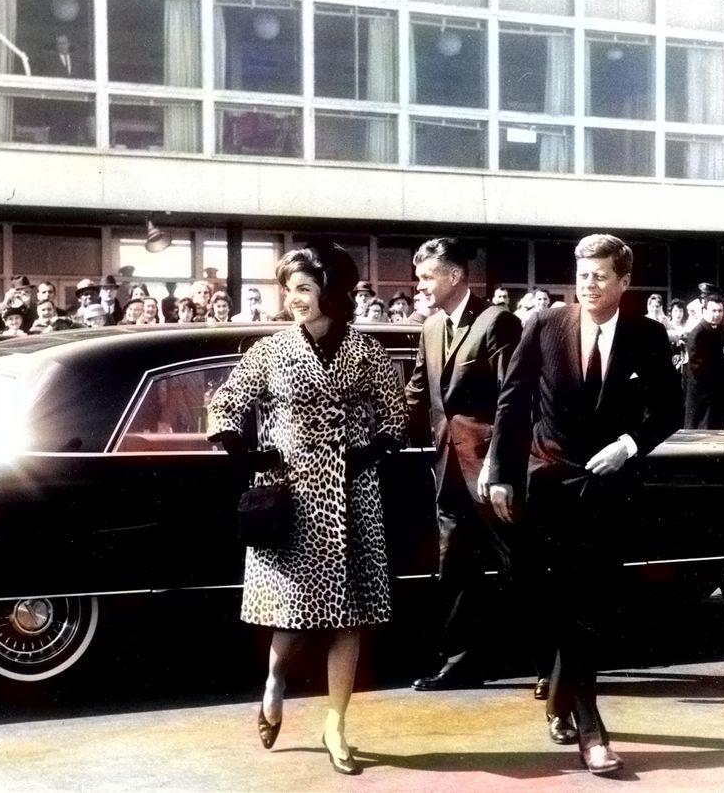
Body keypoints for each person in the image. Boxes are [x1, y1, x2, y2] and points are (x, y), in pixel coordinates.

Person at [206, 242, 407, 776]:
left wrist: (370, 452)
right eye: (287, 290)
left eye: (303, 288)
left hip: (352, 493)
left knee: (350, 616)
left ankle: (336, 723)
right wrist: (248, 451)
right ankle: (274, 683)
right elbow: (226, 403)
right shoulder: (270, 351)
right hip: (290, 493)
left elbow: (395, 413)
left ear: (329, 291)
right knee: (292, 614)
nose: (294, 299)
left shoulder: (366, 352)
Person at [487, 233, 682, 776]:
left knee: (587, 605)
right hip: (546, 485)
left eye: (600, 275)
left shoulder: (648, 335)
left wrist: (628, 446)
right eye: (582, 274)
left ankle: (588, 725)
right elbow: (513, 402)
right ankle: (564, 695)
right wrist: (500, 472)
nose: (589, 284)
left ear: (624, 281)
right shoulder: (545, 326)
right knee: (550, 602)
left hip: (606, 491)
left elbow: (669, 409)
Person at [404, 237, 523, 692]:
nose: (421, 285)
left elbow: (514, 401)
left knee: (518, 570)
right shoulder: (431, 327)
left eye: (427, 276)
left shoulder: (498, 321)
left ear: (454, 276)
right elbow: (417, 395)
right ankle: (461, 663)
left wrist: (499, 464)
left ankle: (549, 670)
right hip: (448, 473)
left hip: (493, 475)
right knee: (454, 569)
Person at [685, 294, 724, 429]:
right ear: (704, 311)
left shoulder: (714, 330)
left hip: (715, 395)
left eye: (720, 311)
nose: (717, 314)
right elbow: (698, 368)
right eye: (713, 310)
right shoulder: (698, 333)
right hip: (704, 397)